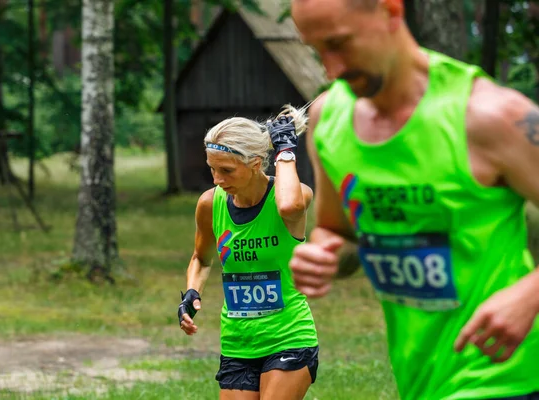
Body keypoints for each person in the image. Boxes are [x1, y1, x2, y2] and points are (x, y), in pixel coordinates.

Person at [287, 0, 539, 399]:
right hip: (419, 379)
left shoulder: (489, 116)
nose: (331, 69)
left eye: (340, 44)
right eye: (316, 50)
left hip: (508, 377)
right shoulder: (329, 118)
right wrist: (325, 255)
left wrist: (530, 295)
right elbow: (337, 232)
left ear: (390, 11)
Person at [177, 106, 319, 399]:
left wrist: (286, 150)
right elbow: (201, 259)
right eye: (212, 169)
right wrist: (191, 293)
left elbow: (290, 206)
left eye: (226, 170)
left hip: (289, 337)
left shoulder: (291, 197)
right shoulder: (209, 204)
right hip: (237, 342)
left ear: (255, 163)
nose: (217, 178)